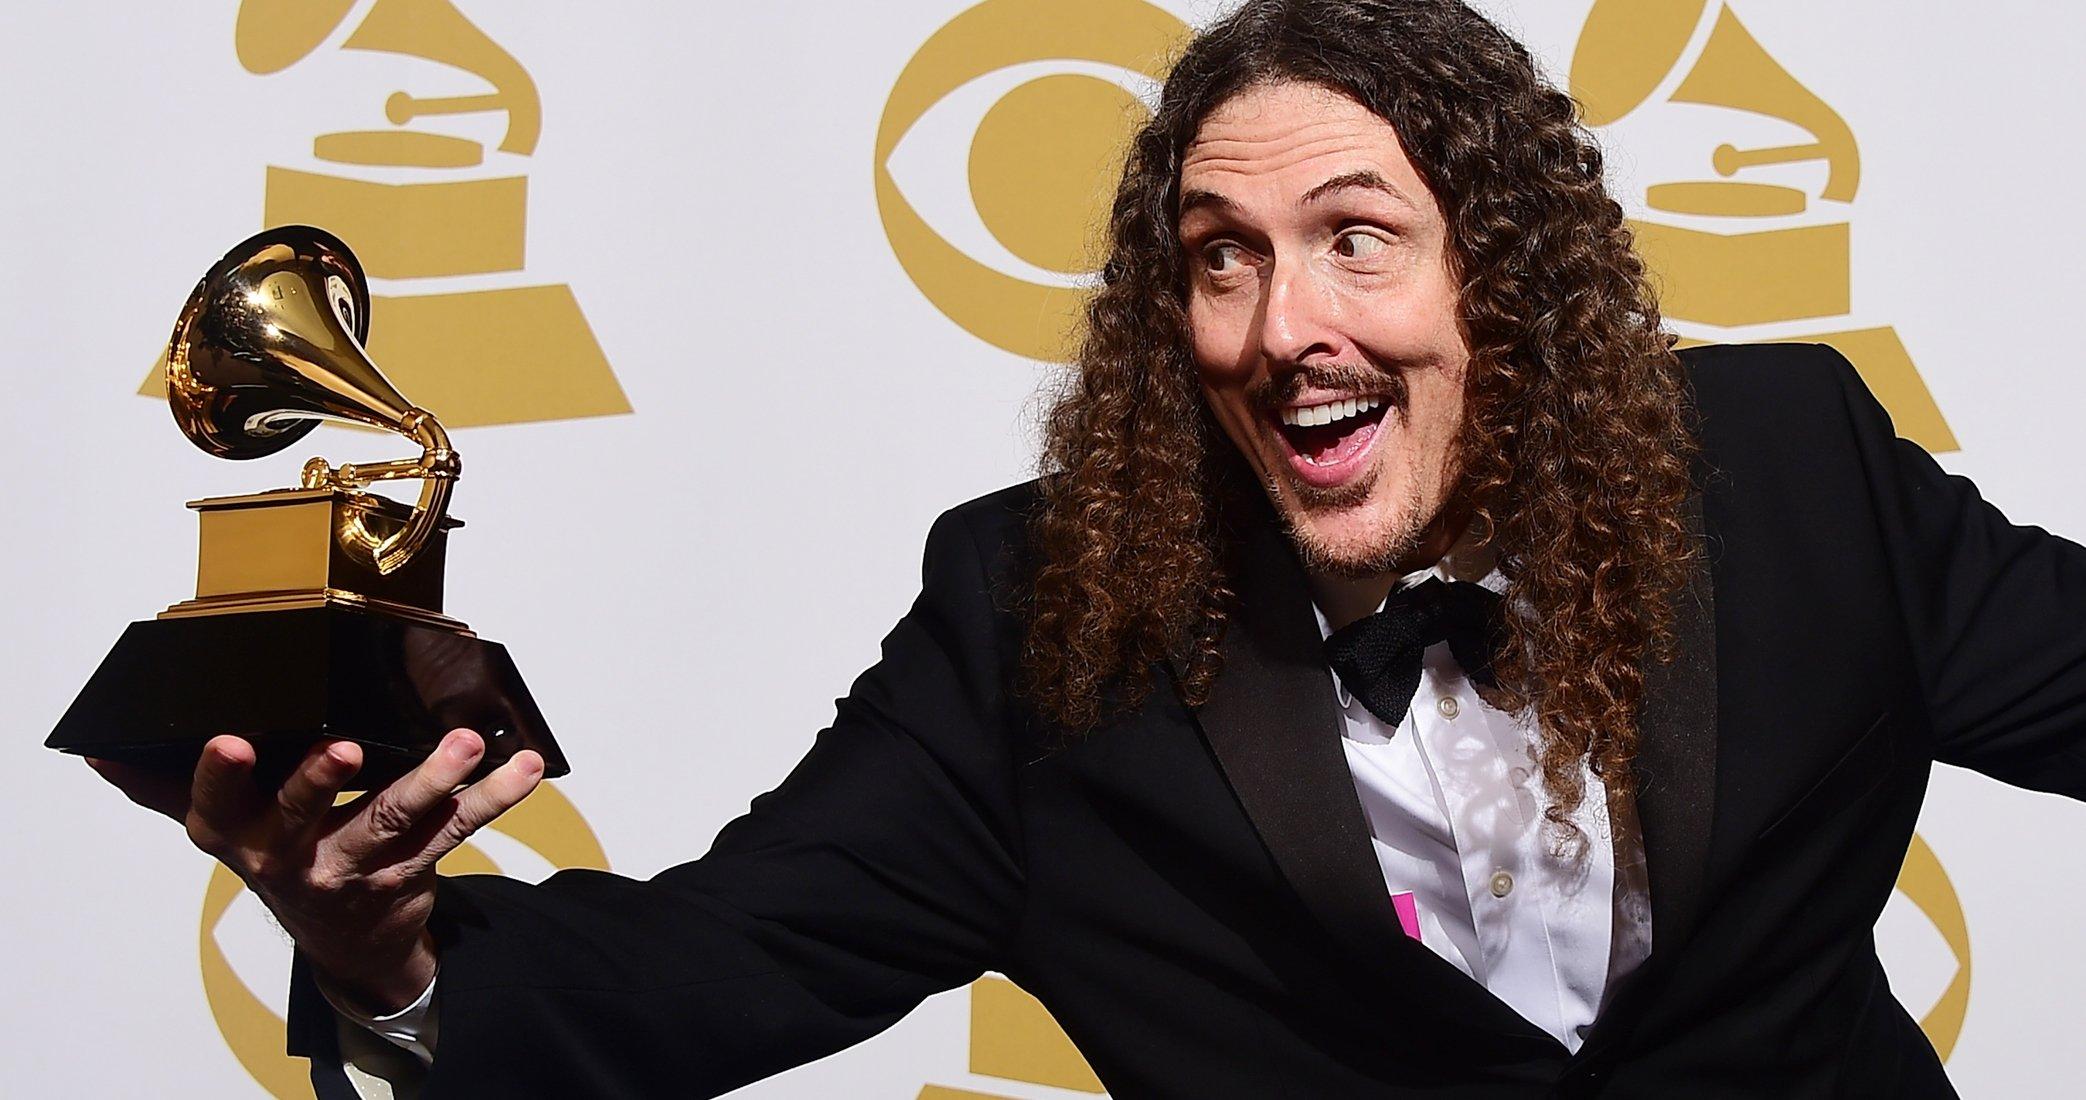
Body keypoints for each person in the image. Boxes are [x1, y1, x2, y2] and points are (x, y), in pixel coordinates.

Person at [91, 1, 2086, 1095]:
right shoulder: (1042, 618)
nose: (1277, 323)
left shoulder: (1781, 463)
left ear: (1506, 276)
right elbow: (716, 961)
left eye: (1353, 238)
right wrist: (390, 952)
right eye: (1215, 260)